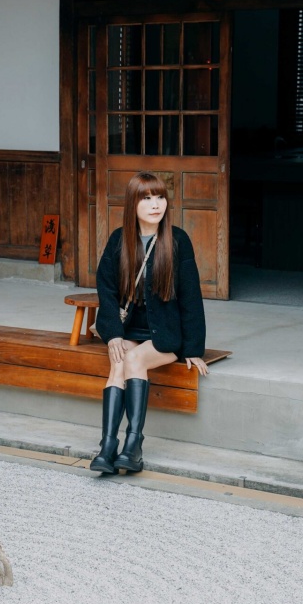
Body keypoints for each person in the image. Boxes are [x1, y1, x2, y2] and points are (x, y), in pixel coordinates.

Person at [89, 171, 208, 475]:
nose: (156, 205)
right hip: (129, 328)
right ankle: (107, 446)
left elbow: (191, 297)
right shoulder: (119, 240)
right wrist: (113, 334)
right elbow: (107, 290)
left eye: (160, 198)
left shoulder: (177, 239)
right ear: (133, 204)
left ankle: (133, 444)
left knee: (133, 359)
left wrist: (194, 348)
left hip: (164, 334)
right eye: (147, 198)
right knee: (118, 361)